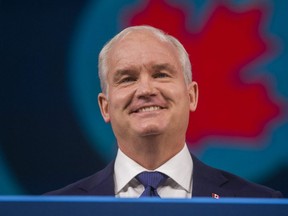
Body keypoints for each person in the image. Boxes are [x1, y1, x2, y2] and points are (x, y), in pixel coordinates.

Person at [46, 25, 282, 198]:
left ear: (192, 96)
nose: (146, 89)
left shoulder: (259, 204)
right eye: (127, 79)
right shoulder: (55, 209)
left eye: (161, 74)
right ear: (105, 107)